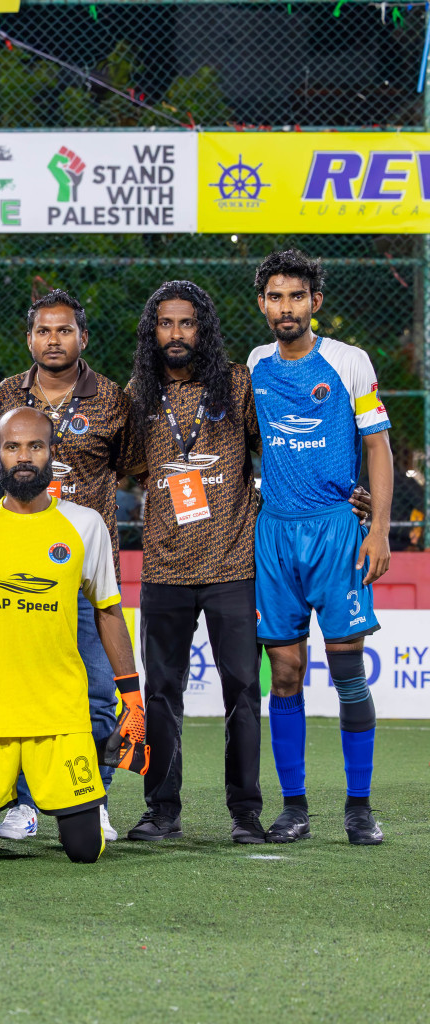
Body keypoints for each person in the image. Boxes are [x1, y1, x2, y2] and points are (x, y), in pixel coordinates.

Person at [0, 408, 141, 864]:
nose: (23, 456)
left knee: (85, 851)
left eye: (35, 446)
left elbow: (109, 613)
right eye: (12, 446)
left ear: (51, 453)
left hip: (59, 713)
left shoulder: (84, 525)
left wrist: (133, 698)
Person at [247, 249, 393, 846]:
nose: (286, 307)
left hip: (338, 530)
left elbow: (378, 445)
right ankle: (295, 807)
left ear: (316, 302)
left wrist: (379, 526)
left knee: (347, 668)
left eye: (296, 296)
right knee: (284, 674)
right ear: (263, 304)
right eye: (275, 297)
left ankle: (358, 808)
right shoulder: (256, 365)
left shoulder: (348, 362)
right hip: (274, 533)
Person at [121, 281, 266, 844]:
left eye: (187, 323)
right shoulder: (140, 391)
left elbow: (265, 448)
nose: (176, 334)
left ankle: (245, 812)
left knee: (243, 691)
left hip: (233, 565)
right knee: (160, 693)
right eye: (165, 324)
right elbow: (135, 467)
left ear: (202, 328)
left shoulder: (236, 382)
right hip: (163, 568)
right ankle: (161, 810)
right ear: (152, 331)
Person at [0, 289, 129, 842]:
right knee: (23, 694)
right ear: (30, 338)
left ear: (83, 338)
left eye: (65, 330)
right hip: (19, 570)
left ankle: (89, 797)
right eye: (44, 331)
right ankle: (22, 805)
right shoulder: (4, 394)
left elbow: (129, 466)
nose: (54, 340)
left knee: (97, 694)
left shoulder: (113, 398)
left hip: (88, 575)